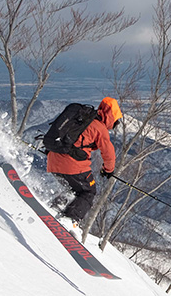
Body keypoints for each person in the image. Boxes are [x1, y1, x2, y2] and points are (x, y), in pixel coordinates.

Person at [47, 97, 123, 227]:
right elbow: (109, 154)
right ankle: (70, 219)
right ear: (111, 117)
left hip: (53, 161)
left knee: (73, 190)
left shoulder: (81, 119)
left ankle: (53, 208)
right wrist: (108, 170)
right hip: (72, 166)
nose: (114, 126)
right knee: (88, 192)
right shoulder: (99, 128)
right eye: (115, 122)